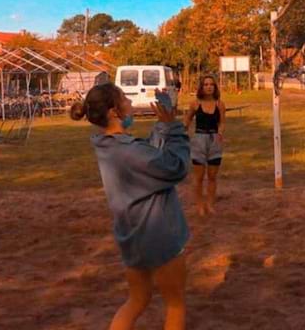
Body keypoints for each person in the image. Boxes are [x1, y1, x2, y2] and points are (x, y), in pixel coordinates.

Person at [70, 83, 190, 330]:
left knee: (137, 300)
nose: (131, 102)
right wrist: (175, 129)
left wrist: (162, 124)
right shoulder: (128, 151)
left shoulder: (108, 144)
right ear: (114, 111)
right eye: (125, 98)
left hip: (132, 237)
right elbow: (175, 167)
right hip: (159, 236)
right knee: (175, 304)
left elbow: (147, 155)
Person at [184, 75, 226, 216]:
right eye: (206, 84)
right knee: (199, 176)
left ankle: (210, 204)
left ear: (215, 87)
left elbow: (222, 122)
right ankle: (200, 205)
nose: (209, 87)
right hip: (199, 140)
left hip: (214, 140)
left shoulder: (220, 104)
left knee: (212, 176)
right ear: (202, 87)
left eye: (211, 84)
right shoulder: (195, 104)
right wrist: (184, 133)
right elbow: (187, 120)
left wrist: (220, 132)